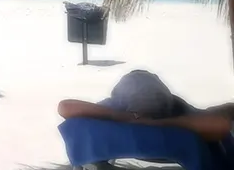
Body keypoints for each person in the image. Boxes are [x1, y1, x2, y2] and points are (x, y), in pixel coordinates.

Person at [58, 70, 234, 143]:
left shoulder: (116, 108)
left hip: (154, 106)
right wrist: (154, 122)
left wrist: (128, 118)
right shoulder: (177, 111)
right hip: (161, 108)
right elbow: (220, 125)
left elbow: (65, 107)